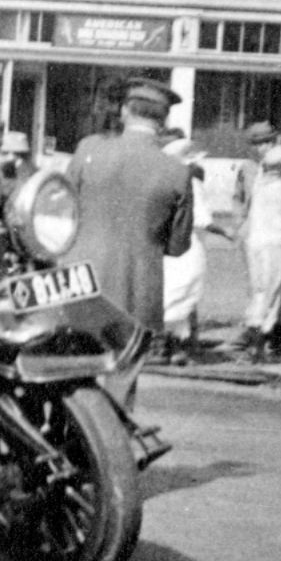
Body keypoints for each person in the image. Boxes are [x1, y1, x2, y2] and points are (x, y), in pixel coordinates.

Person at [64, 76, 193, 390]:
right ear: (163, 121)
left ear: (124, 111)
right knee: (121, 382)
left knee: (68, 376)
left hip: (79, 284)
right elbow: (178, 246)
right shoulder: (177, 171)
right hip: (136, 291)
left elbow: (63, 209)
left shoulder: (88, 149)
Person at [237, 143, 281, 360]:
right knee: (273, 292)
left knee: (259, 290)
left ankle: (254, 337)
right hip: (276, 244)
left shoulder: (259, 184)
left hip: (255, 242)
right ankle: (260, 342)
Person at [160, 135, 215, 357]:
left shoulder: (163, 181)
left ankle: (167, 343)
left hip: (164, 244)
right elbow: (201, 218)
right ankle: (180, 346)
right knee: (184, 294)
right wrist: (224, 231)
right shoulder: (191, 183)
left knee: (170, 291)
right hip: (187, 243)